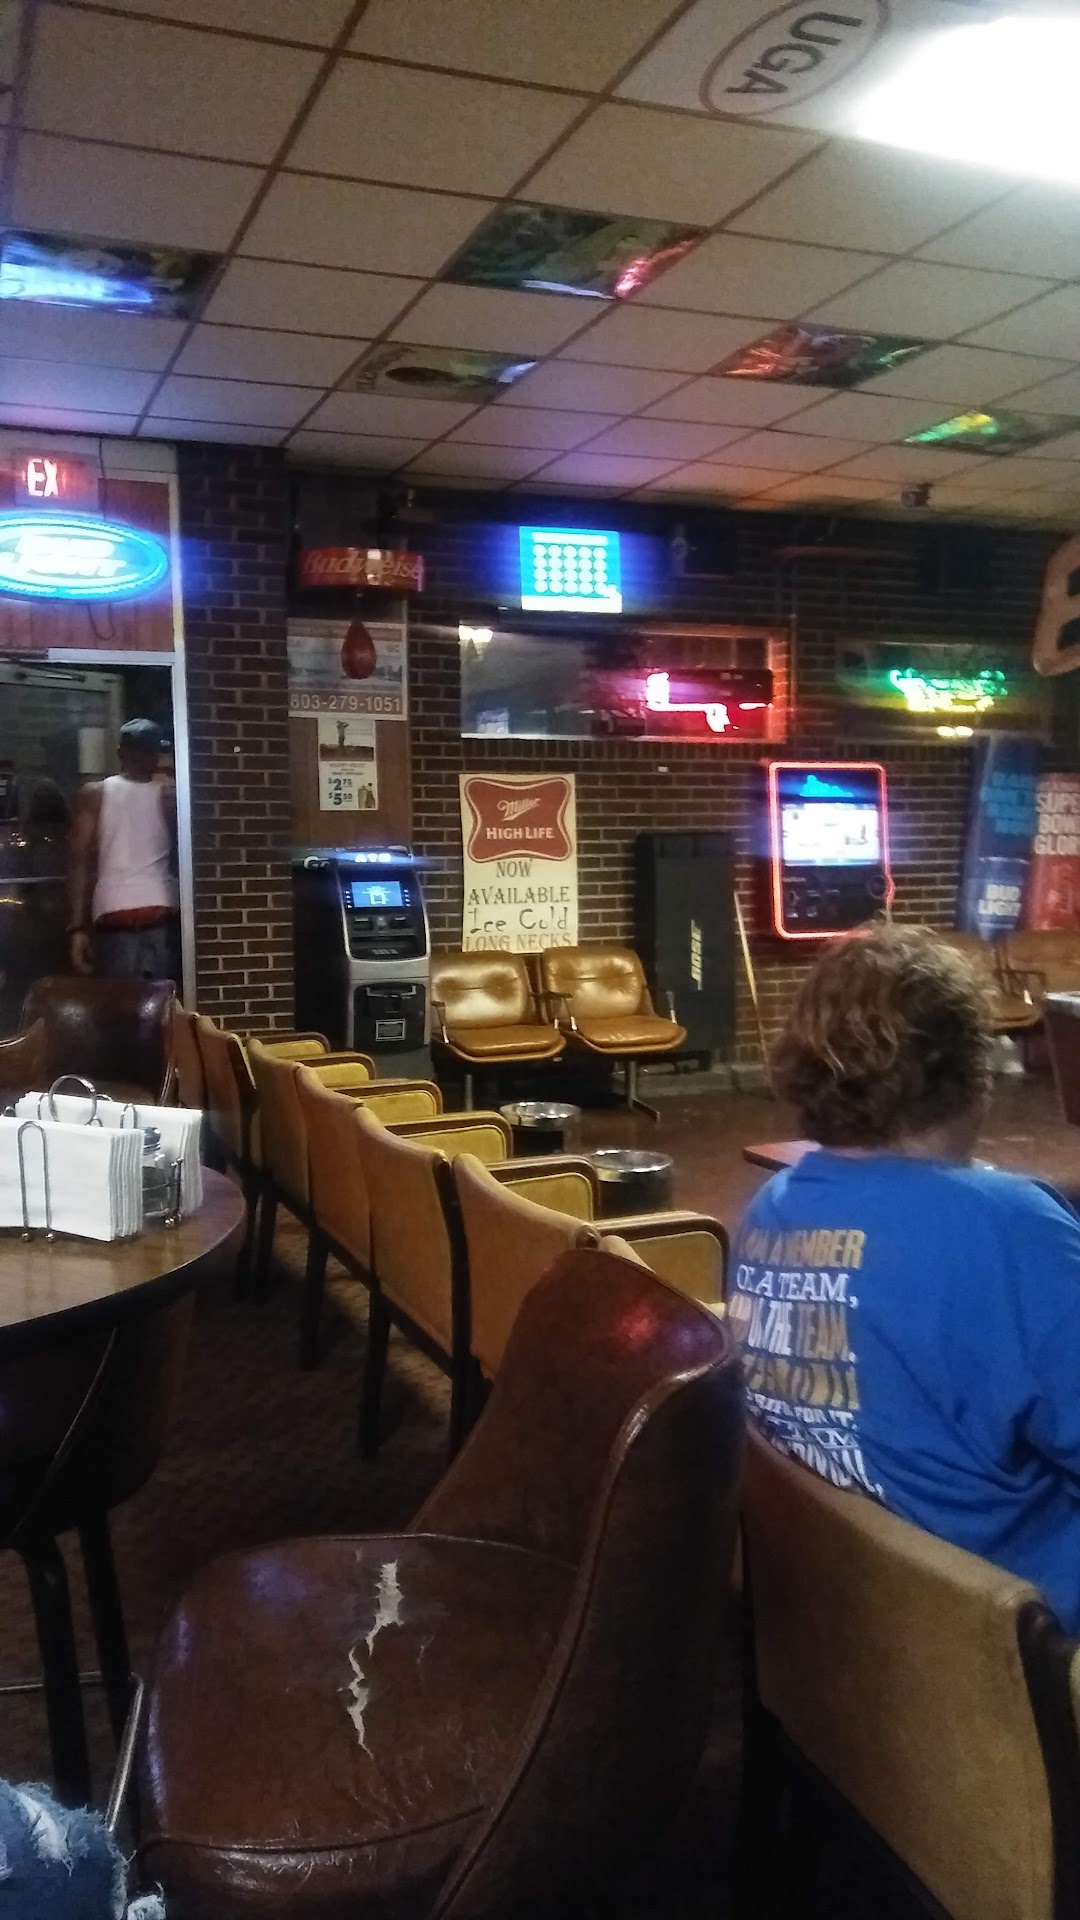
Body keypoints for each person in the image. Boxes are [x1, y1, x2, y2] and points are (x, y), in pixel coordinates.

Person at [730, 923, 1080, 1632]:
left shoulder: (771, 1206)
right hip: (1008, 1641)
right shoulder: (1009, 1227)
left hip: (850, 1620)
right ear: (971, 1070)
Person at [68, 718, 179, 982]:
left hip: (113, 910)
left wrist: (76, 926)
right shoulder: (169, 796)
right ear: (156, 754)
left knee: (119, 1001)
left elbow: (78, 859)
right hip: (160, 906)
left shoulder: (95, 794)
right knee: (162, 999)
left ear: (120, 753)